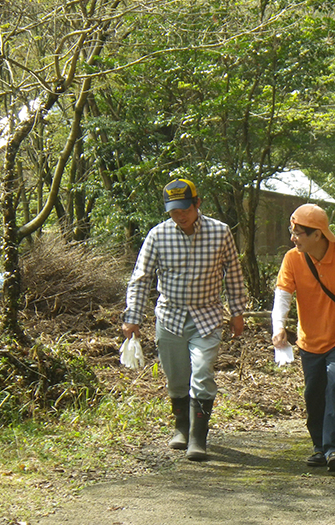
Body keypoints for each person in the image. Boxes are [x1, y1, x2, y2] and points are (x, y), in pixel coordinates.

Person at [122, 179, 247, 462]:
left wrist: (237, 313)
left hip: (207, 315)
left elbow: (234, 275)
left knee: (202, 373)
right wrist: (133, 318)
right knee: (177, 378)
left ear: (197, 204)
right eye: (174, 211)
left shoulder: (220, 232)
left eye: (185, 209)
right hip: (170, 316)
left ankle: (198, 439)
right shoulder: (158, 235)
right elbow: (141, 279)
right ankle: (181, 428)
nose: (180, 216)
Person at [271, 204, 335, 473]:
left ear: (317, 235)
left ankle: (334, 449)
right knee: (313, 393)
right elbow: (283, 294)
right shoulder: (293, 258)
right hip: (310, 340)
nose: (293, 238)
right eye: (291, 232)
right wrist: (278, 326)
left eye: (298, 233)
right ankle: (319, 447)